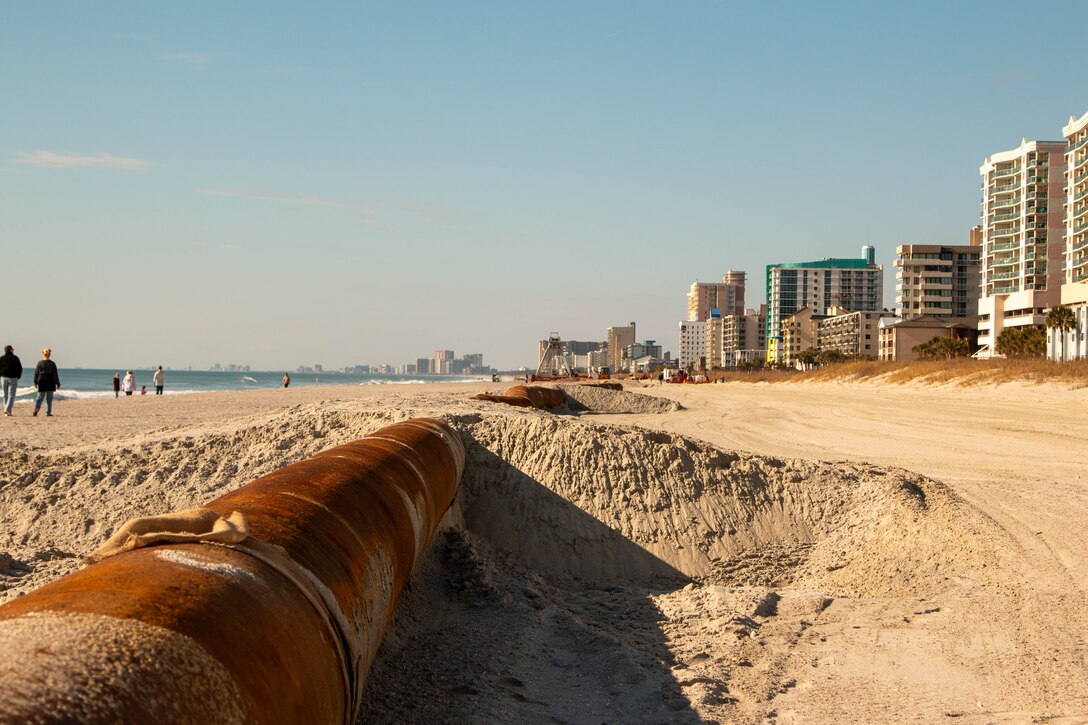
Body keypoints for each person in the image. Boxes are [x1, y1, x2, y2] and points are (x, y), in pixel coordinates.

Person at [32, 348, 60, 417]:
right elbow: (55, 374)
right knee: (49, 398)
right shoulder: (52, 363)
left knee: (40, 397)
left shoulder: (40, 363)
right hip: (50, 381)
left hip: (41, 381)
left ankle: (36, 409)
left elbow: (36, 373)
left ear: (43, 354)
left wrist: (35, 382)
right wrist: (57, 383)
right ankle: (48, 412)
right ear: (49, 354)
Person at [1, 345, 22, 416]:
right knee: (11, 395)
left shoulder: (2, 358)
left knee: (5, 394)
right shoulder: (15, 358)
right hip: (13, 378)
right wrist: (18, 376)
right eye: (12, 349)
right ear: (10, 350)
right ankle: (7, 410)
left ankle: (7, 410)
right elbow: (20, 368)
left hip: (3, 377)